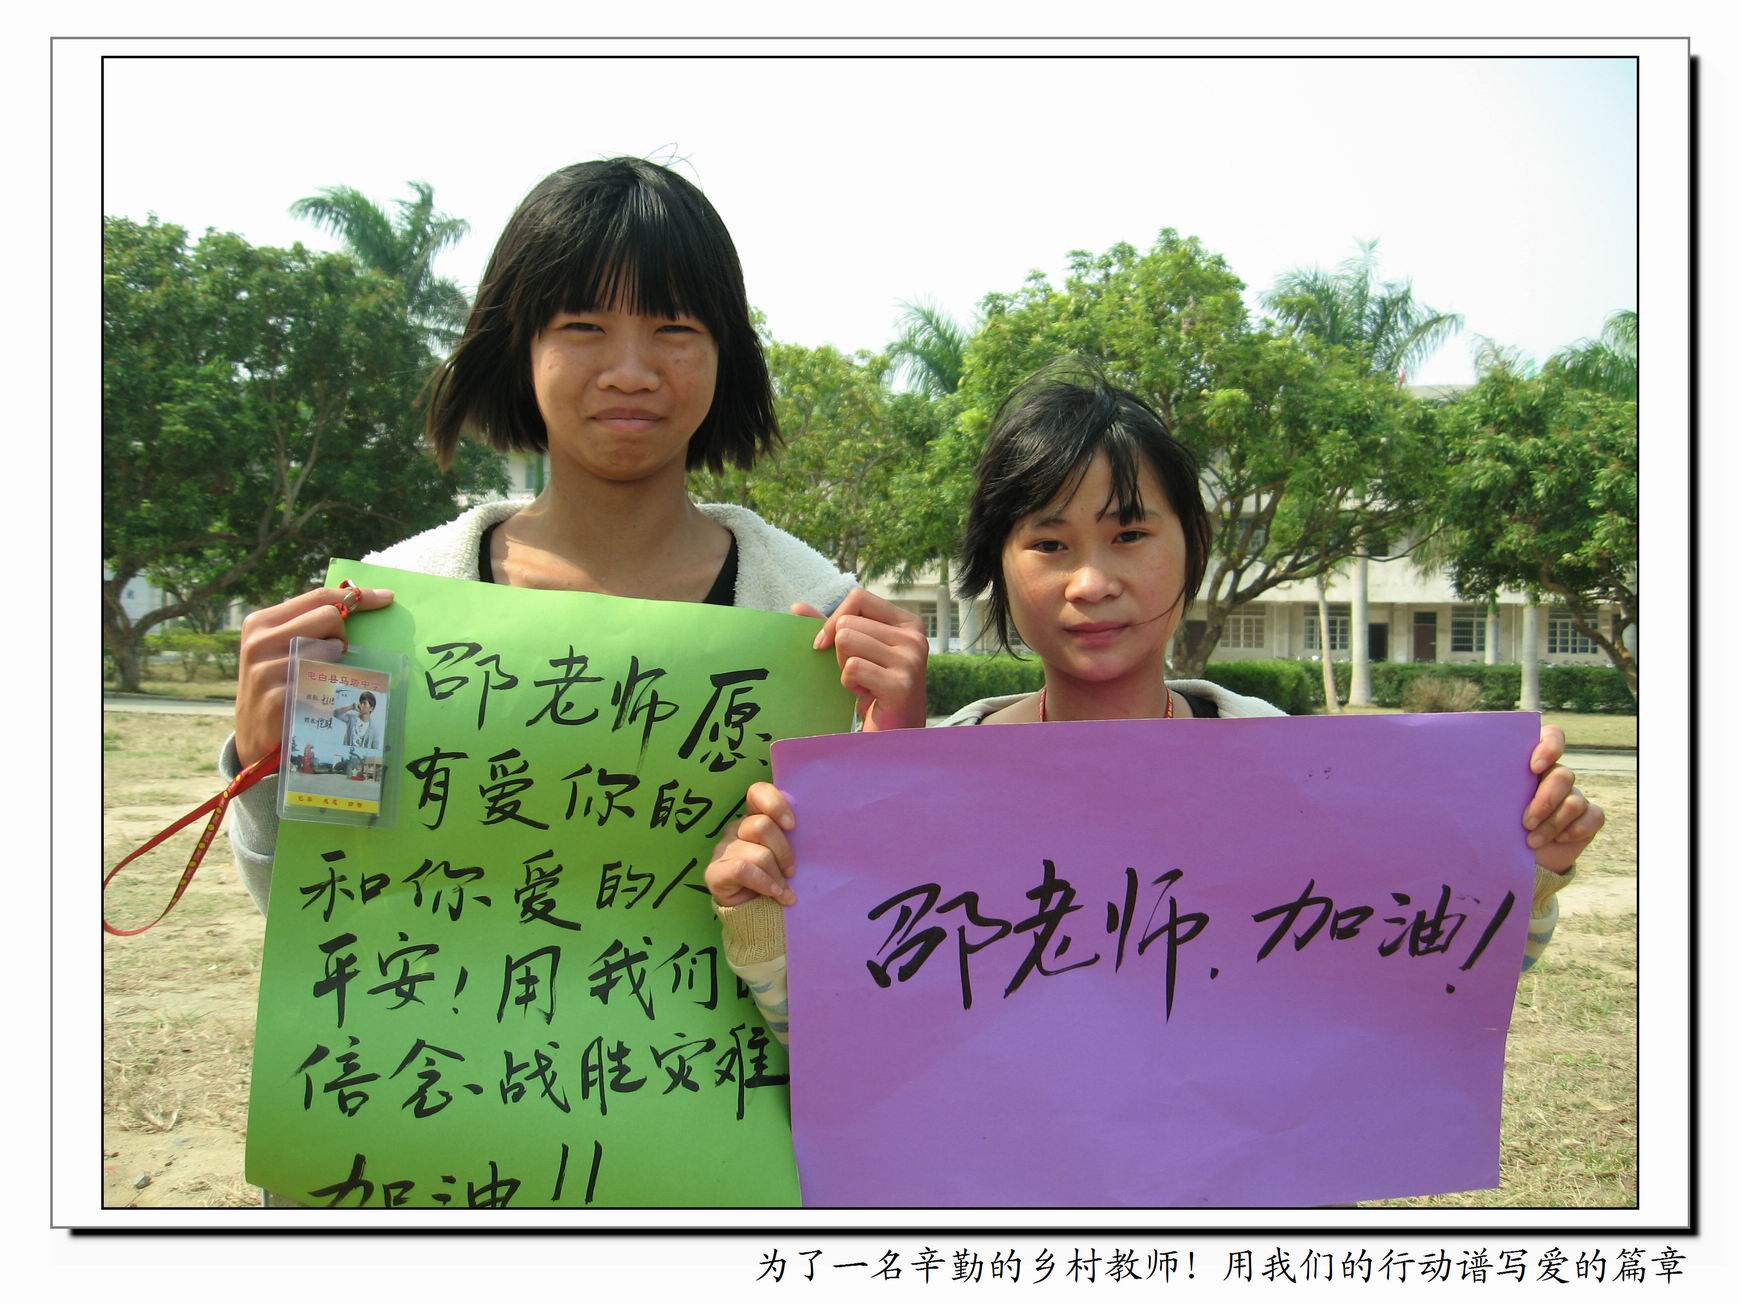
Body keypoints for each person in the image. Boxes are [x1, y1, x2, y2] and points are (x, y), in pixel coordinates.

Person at [706, 361, 1605, 1044]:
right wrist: (760, 914)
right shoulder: (933, 771)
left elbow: (1421, 991)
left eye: (1131, 533)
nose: (1092, 582)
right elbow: (849, 1041)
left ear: (1191, 547)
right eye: (1049, 543)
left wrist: (1525, 868)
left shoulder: (1285, 762)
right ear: (998, 569)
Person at [220, 157, 929, 914]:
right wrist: (264, 766)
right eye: (583, 327)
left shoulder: (822, 628)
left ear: (726, 354)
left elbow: (870, 924)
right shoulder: (382, 619)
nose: (630, 371)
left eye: (675, 328)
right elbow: (319, 909)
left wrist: (901, 766)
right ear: (520, 347)